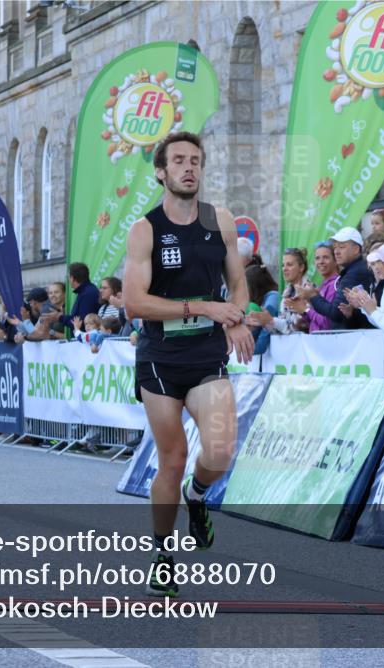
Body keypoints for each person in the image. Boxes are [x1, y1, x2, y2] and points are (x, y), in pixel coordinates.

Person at [123, 131, 253, 598]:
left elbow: (238, 283)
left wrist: (235, 316)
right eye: (178, 160)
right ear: (161, 171)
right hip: (160, 358)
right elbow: (134, 303)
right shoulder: (146, 229)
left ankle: (197, 499)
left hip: (206, 353)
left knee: (219, 452)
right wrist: (205, 308)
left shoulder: (220, 220)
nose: (188, 167)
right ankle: (162, 553)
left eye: (195, 159)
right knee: (173, 458)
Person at [299, 227, 373, 330]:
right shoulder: (354, 270)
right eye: (335, 247)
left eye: (342, 247)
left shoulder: (354, 273)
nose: (336, 252)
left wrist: (313, 296)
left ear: (356, 249)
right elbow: (344, 313)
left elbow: (336, 313)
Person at [248, 248, 314, 338]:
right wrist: (266, 322)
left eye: (289, 265)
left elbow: (297, 328)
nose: (284, 269)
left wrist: (271, 320)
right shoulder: (287, 293)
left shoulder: (309, 291)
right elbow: (280, 330)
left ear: (301, 267)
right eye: (283, 265)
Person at [242, 263, 280, 355]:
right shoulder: (259, 301)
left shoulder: (271, 301)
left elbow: (259, 347)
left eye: (245, 286)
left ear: (253, 286)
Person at [57, 263, 101, 338]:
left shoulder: (88, 293)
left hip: (87, 343)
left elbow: (81, 321)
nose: (68, 280)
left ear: (72, 278)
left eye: (68, 277)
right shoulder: (85, 291)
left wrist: (60, 317)